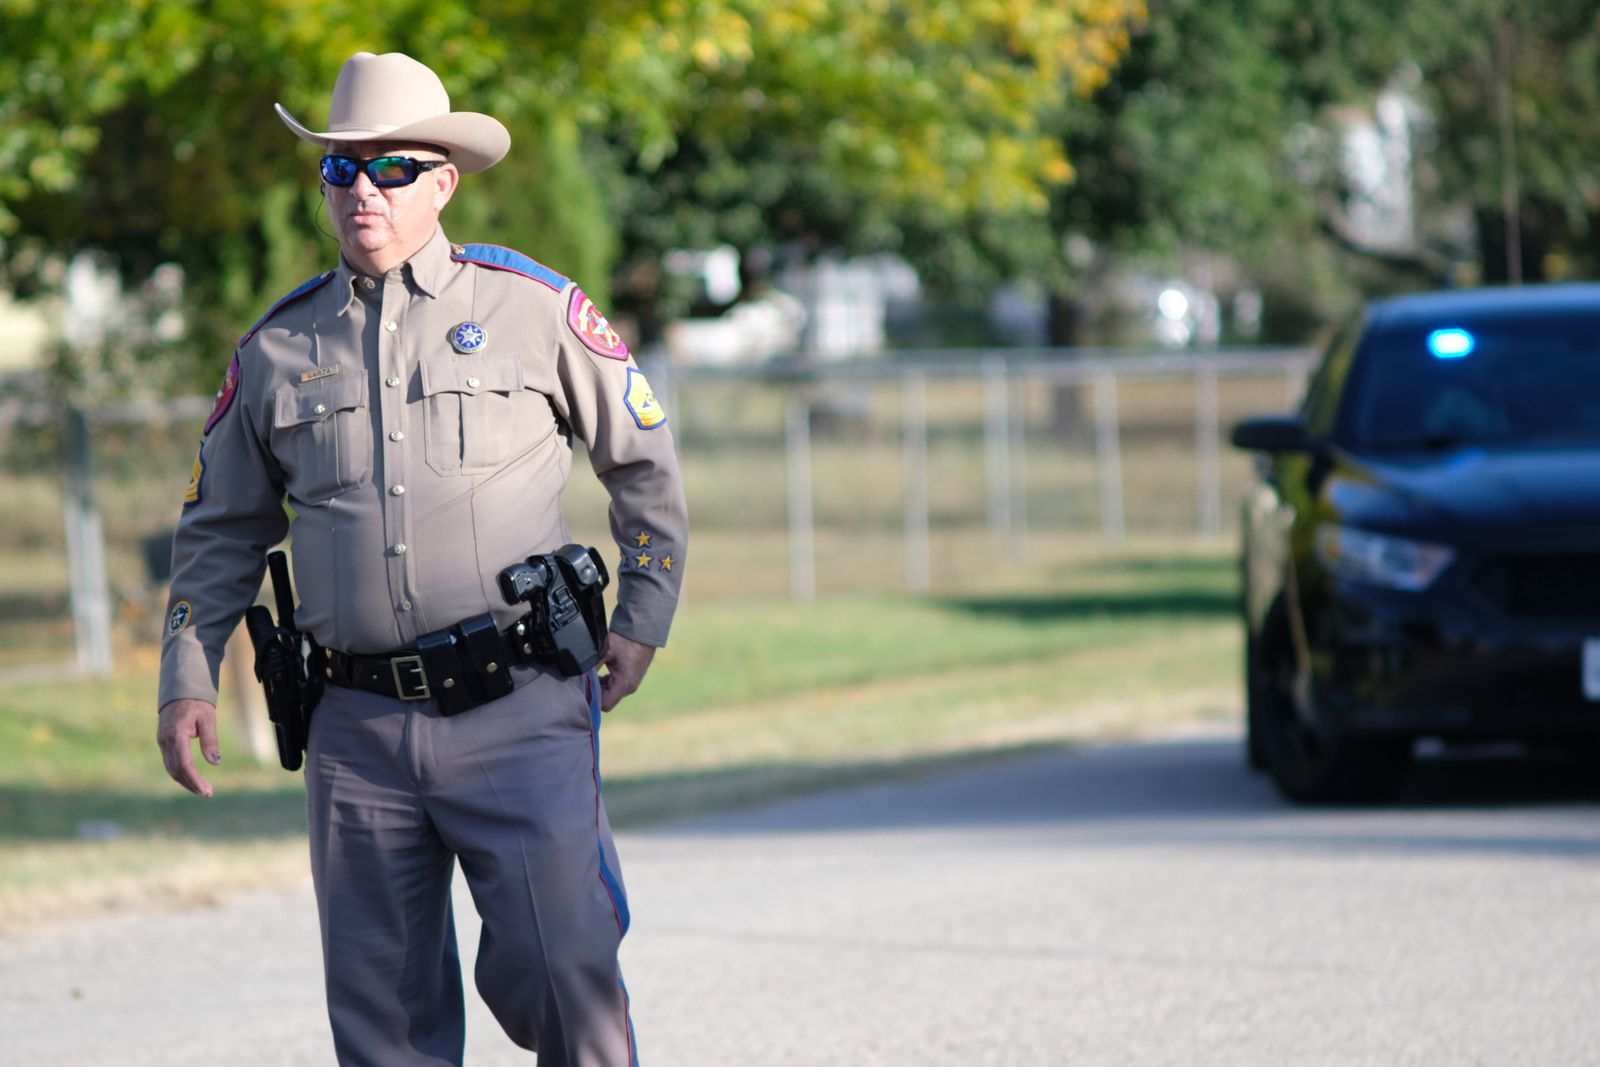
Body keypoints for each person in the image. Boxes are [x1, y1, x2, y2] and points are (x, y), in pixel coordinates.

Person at [154, 51, 686, 1067]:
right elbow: (220, 529)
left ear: (443, 178)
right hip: (355, 729)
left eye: (390, 167)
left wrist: (642, 615)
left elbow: (645, 466)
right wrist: (188, 678)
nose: (362, 189)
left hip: (519, 701)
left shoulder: (534, 309)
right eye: (340, 169)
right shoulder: (275, 349)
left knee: (560, 969)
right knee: (385, 1025)